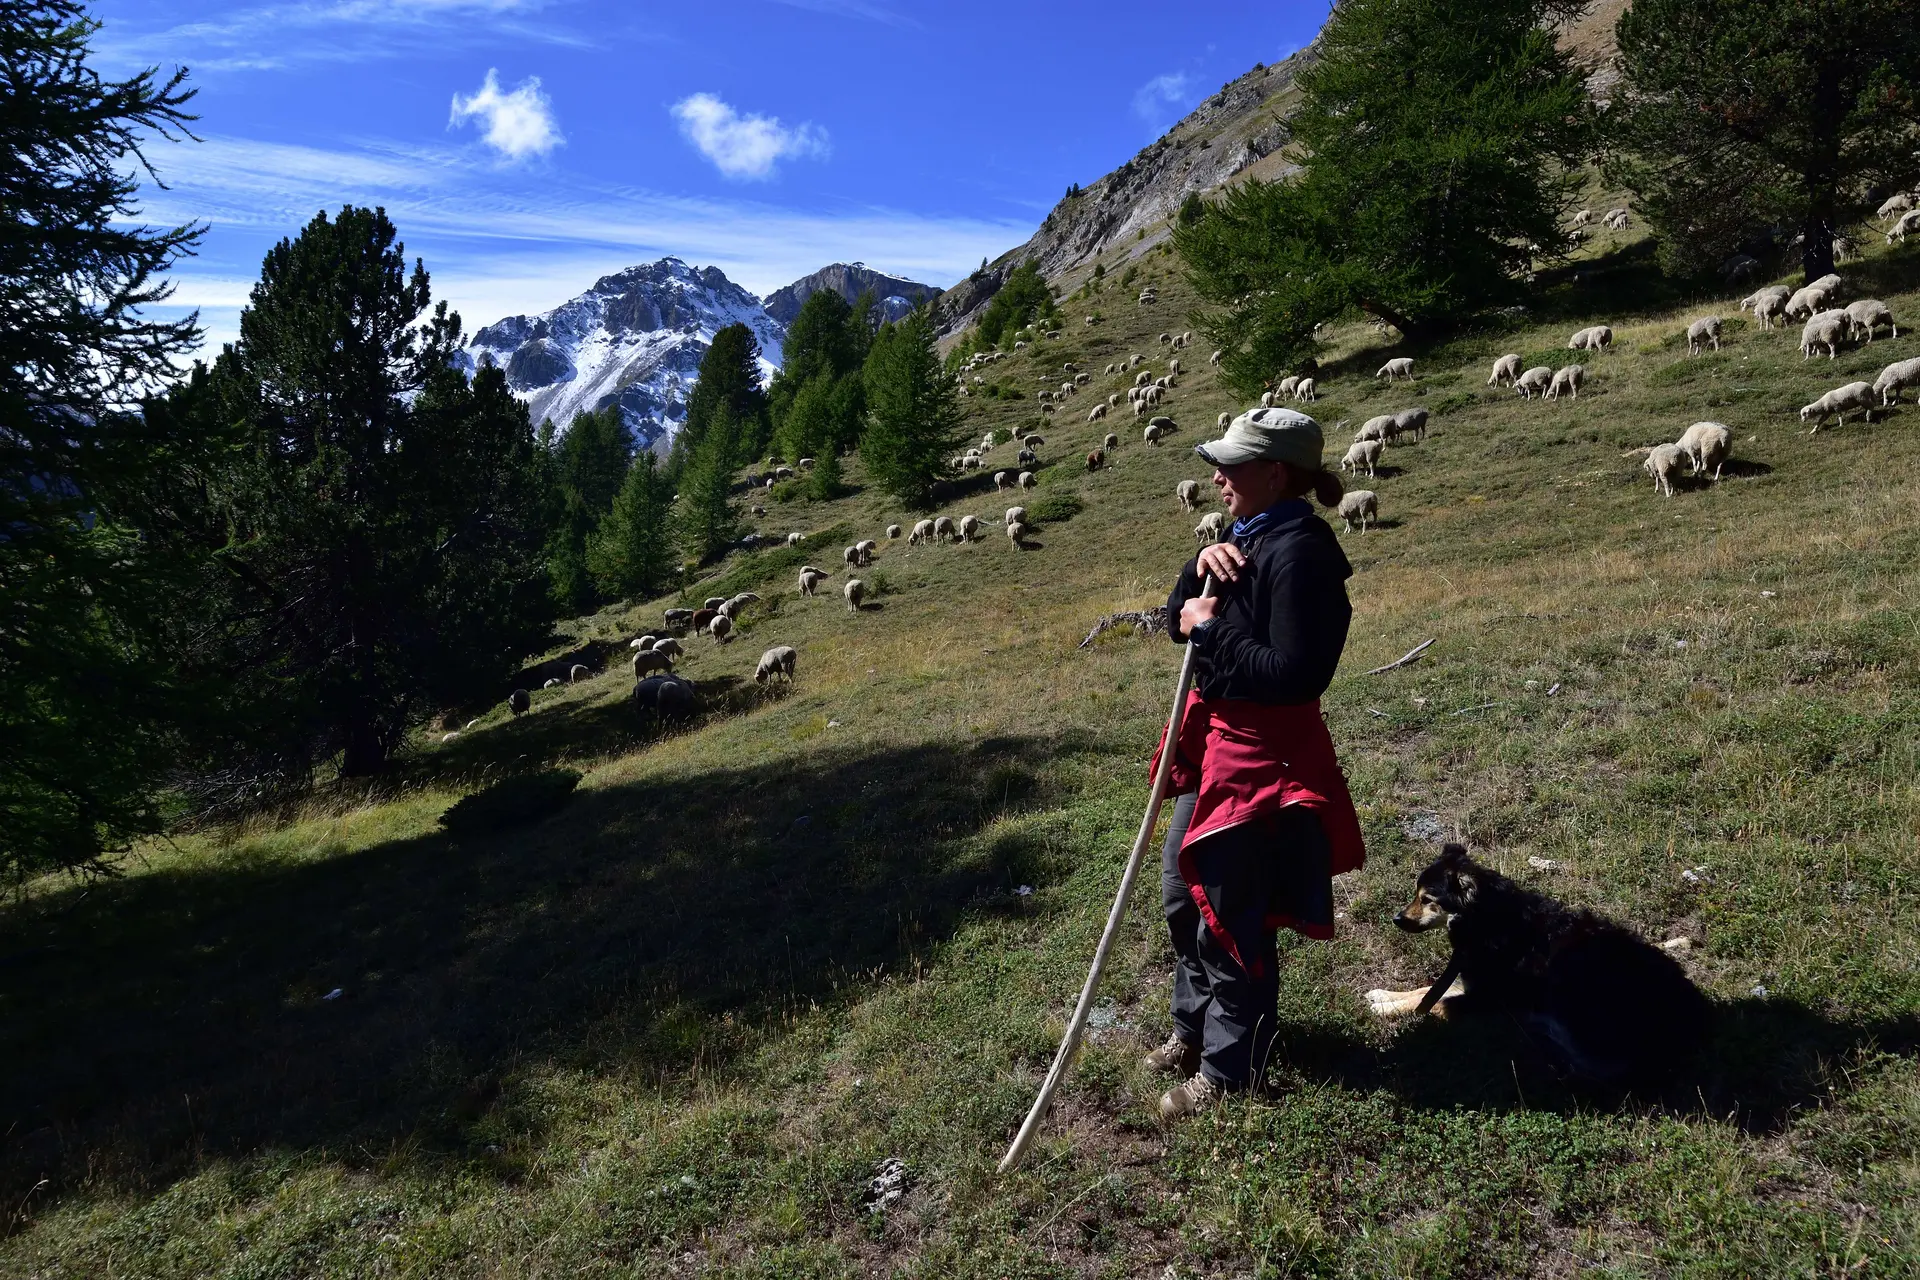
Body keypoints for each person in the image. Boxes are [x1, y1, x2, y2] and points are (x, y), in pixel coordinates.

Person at [1146, 406, 1367, 1119]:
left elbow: (1297, 674)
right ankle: (1193, 1026)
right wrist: (1195, 574)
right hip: (1219, 746)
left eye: (1230, 466)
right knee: (1185, 896)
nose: (1215, 477)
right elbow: (1173, 621)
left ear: (1274, 475)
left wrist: (1210, 633)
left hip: (1263, 756)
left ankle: (1229, 1069)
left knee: (1230, 916)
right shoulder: (1246, 539)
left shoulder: (1300, 555)